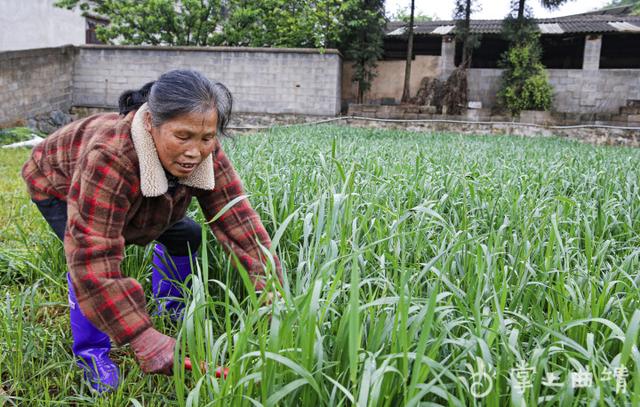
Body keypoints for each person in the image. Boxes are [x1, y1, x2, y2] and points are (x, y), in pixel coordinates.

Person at [21, 69, 282, 392]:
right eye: (182, 136)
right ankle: (92, 354)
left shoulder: (204, 151)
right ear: (150, 124)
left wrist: (271, 288)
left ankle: (169, 307)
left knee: (186, 234)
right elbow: (92, 259)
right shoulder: (110, 156)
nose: (195, 152)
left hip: (134, 188)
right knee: (88, 260)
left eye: (206, 138)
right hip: (58, 183)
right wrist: (141, 336)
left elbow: (239, 221)